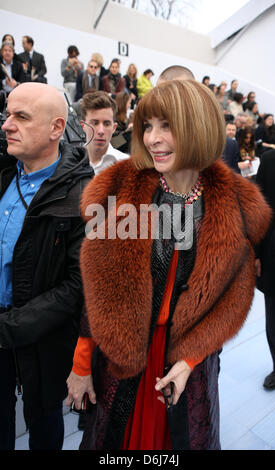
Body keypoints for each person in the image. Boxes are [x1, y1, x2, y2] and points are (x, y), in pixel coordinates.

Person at [77, 79, 271, 450]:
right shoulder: (124, 190)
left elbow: (231, 299)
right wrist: (81, 363)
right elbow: (100, 290)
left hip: (188, 365)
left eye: (167, 125)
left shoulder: (232, 206)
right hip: (125, 356)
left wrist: (190, 359)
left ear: (197, 125)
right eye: (148, 126)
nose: (152, 138)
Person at [0, 82, 93, 450]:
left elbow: (77, 285)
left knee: (44, 419)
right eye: (7, 114)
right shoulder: (6, 173)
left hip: (44, 337)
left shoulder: (85, 196)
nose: (7, 124)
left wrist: (8, 328)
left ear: (57, 128)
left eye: (21, 117)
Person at [65, 91, 128, 422]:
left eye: (107, 123)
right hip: (68, 271)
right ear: (81, 124)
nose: (101, 130)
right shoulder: (65, 163)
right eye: (94, 123)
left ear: (115, 125)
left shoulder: (125, 166)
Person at [256, 148, 275, 389]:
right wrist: (256, 254)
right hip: (273, 254)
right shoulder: (269, 161)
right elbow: (259, 211)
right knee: (274, 314)